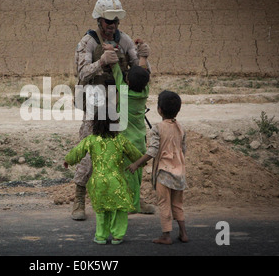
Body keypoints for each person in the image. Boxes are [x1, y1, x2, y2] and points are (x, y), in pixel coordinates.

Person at [72, 0, 151, 220]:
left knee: (126, 152)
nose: (113, 25)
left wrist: (145, 57)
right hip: (96, 104)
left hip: (119, 102)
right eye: (109, 21)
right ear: (99, 20)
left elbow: (141, 74)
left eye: (116, 21)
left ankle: (133, 196)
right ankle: (79, 200)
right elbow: (82, 72)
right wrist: (102, 62)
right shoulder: (88, 42)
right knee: (89, 150)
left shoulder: (124, 40)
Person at [64, 109, 143, 244]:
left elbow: (76, 153)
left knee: (101, 210)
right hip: (117, 182)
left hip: (97, 182)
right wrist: (140, 163)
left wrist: (67, 161)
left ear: (95, 124)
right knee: (119, 209)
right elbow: (136, 156)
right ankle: (117, 235)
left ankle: (101, 236)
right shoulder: (120, 140)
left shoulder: (90, 140)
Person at [128, 90, 188, 244]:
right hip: (180, 172)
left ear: (159, 109)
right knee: (177, 204)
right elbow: (183, 150)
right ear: (178, 110)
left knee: (164, 204)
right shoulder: (181, 128)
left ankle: (166, 235)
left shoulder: (157, 128)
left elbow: (153, 151)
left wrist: (136, 164)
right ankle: (183, 233)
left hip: (164, 173)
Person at [103, 42, 153, 214]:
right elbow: (144, 70)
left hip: (124, 143)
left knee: (124, 173)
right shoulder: (145, 92)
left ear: (128, 80)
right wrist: (143, 57)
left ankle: (128, 203)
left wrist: (110, 52)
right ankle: (136, 201)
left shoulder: (123, 91)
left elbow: (116, 71)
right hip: (139, 142)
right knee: (137, 174)